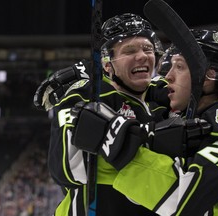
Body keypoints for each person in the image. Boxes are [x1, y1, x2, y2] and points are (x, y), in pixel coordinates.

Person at [72, 29, 218, 215]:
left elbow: (186, 198)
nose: (168, 76)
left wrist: (118, 145)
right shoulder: (192, 121)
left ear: (208, 75)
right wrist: (84, 73)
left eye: (179, 67)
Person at [47, 13, 168, 216]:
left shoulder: (164, 103)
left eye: (148, 49)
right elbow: (65, 170)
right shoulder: (92, 96)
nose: (142, 56)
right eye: (129, 50)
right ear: (107, 65)